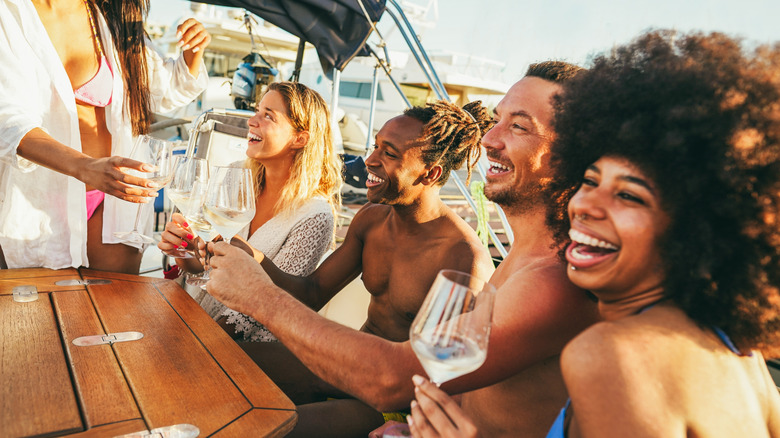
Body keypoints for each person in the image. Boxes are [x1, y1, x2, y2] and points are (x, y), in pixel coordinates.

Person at [408, 31, 780, 438]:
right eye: (590, 179)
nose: (583, 205)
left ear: (694, 226)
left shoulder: (612, 354)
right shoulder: (745, 358)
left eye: (628, 195)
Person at [206, 61, 599, 438]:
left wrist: (259, 296)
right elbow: (457, 379)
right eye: (497, 120)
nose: (490, 139)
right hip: (383, 389)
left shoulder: (543, 277)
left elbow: (399, 378)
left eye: (518, 127)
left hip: (385, 391)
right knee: (209, 360)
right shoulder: (519, 261)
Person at [205, 99, 495, 437]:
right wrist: (250, 255)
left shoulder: (463, 259)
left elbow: (444, 375)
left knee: (269, 430)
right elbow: (311, 293)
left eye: (390, 154)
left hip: (394, 402)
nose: (369, 161)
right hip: (343, 366)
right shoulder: (372, 220)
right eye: (374, 146)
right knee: (212, 360)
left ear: (430, 174)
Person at [0, 0, 209, 273]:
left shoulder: (110, 16)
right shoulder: (9, 12)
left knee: (114, 306)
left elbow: (165, 87)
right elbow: (8, 120)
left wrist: (194, 51)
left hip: (114, 196)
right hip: (37, 199)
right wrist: (85, 167)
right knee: (39, 310)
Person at [158, 81, 343, 343]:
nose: (251, 121)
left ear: (299, 138)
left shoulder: (314, 215)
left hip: (246, 350)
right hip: (195, 322)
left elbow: (270, 304)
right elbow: (203, 269)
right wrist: (184, 250)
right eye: (257, 111)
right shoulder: (237, 177)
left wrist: (200, 342)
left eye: (268, 115)